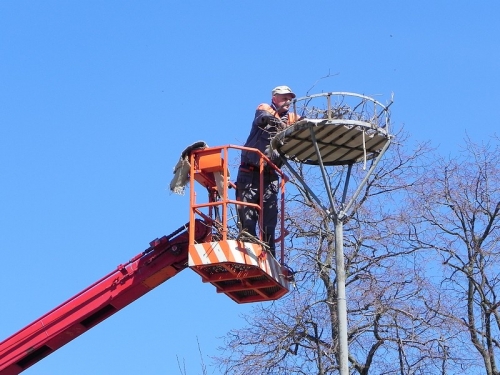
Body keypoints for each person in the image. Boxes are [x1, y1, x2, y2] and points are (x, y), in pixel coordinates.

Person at [236, 85, 302, 256]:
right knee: (248, 214)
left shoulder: (293, 118)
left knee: (270, 218)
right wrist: (280, 125)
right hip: (249, 172)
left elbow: (307, 127)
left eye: (289, 98)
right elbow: (263, 117)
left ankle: (269, 254)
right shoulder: (264, 108)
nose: (287, 101)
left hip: (270, 175)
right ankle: (248, 250)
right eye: (283, 97)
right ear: (275, 98)